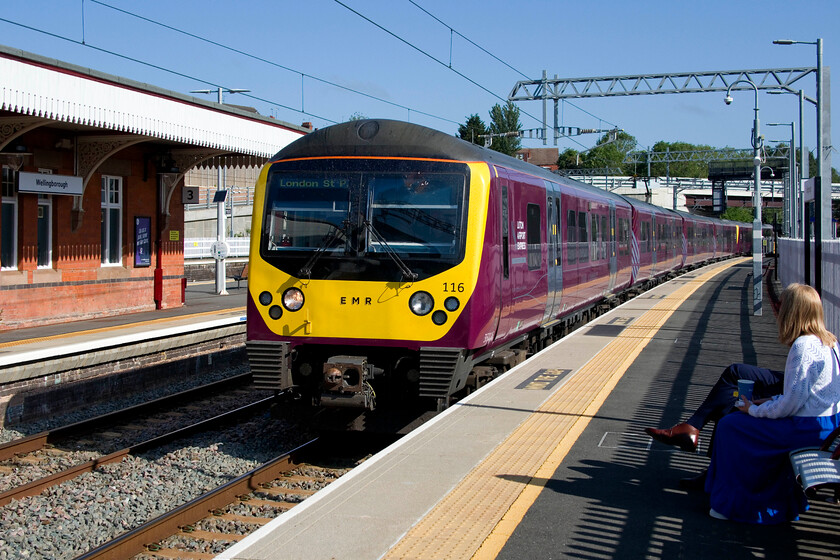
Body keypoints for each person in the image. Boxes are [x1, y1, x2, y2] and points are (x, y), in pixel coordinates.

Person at [704, 283, 840, 523]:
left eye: (783, 305)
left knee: (730, 426)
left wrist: (754, 409)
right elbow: (806, 396)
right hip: (827, 426)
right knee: (737, 422)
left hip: (805, 429)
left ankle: (732, 505)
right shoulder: (830, 342)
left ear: (792, 312)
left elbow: (790, 406)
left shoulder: (803, 347)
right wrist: (769, 400)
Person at [645, 364, 785, 453]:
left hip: (793, 390)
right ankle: (713, 470)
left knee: (734, 377)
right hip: (791, 384)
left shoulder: (801, 346)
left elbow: (797, 395)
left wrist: (764, 404)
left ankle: (691, 428)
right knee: (730, 393)